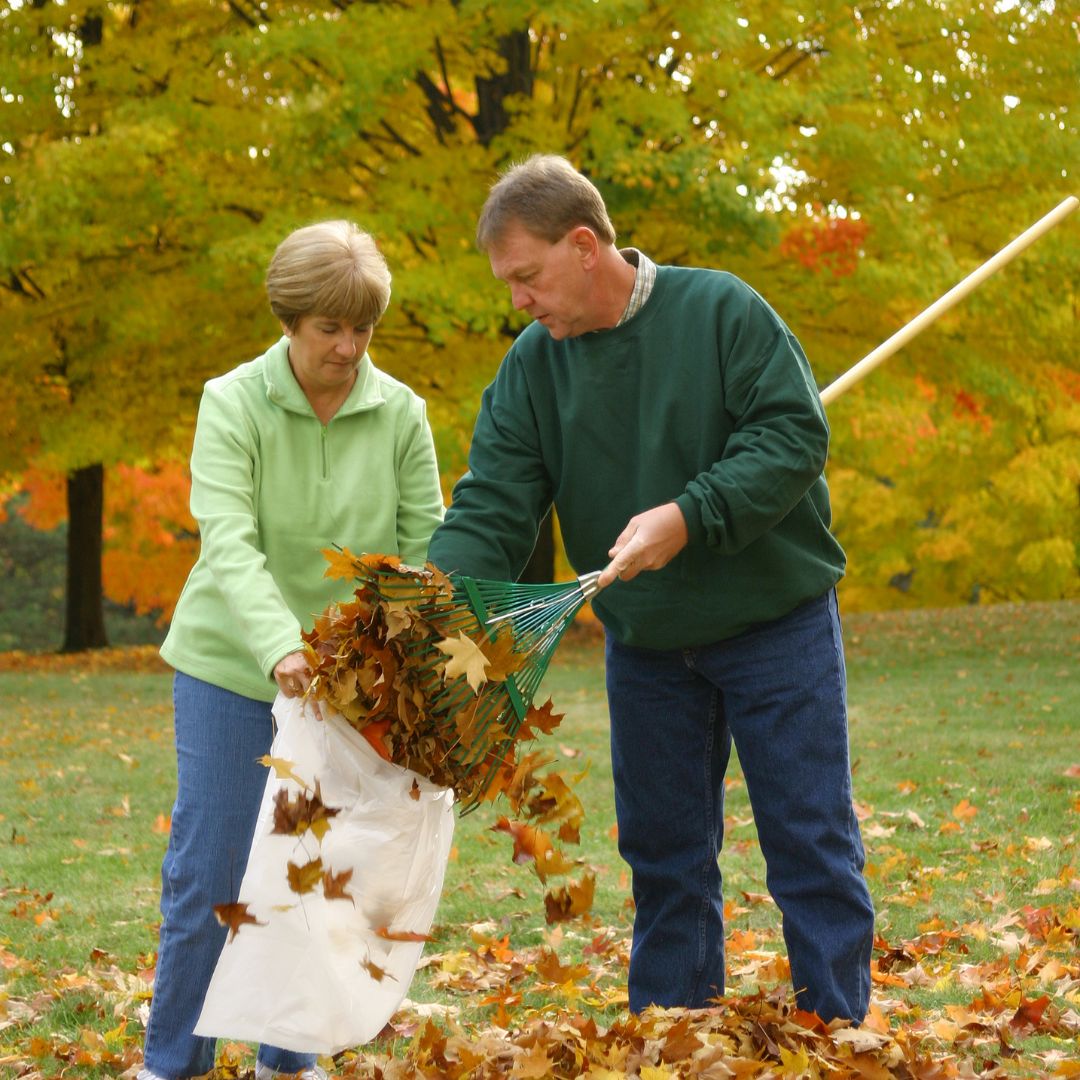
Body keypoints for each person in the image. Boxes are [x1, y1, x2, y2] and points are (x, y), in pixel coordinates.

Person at [427, 155, 875, 1022]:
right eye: (509, 283)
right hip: (648, 643)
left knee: (809, 843)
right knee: (666, 856)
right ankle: (672, 1035)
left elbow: (791, 437)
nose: (517, 300)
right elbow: (495, 500)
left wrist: (691, 513)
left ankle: (839, 1032)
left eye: (527, 277)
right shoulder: (533, 368)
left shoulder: (721, 312)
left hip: (772, 621)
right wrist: (438, 597)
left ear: (585, 246)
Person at [140, 221, 445, 1080]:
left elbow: (425, 546)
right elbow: (228, 543)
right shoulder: (232, 401)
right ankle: (173, 1065)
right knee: (212, 871)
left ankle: (290, 1058)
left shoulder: (402, 414)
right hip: (234, 666)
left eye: (363, 329)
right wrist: (280, 647)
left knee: (320, 876)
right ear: (289, 320)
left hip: (348, 684)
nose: (348, 348)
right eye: (329, 329)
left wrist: (407, 654)